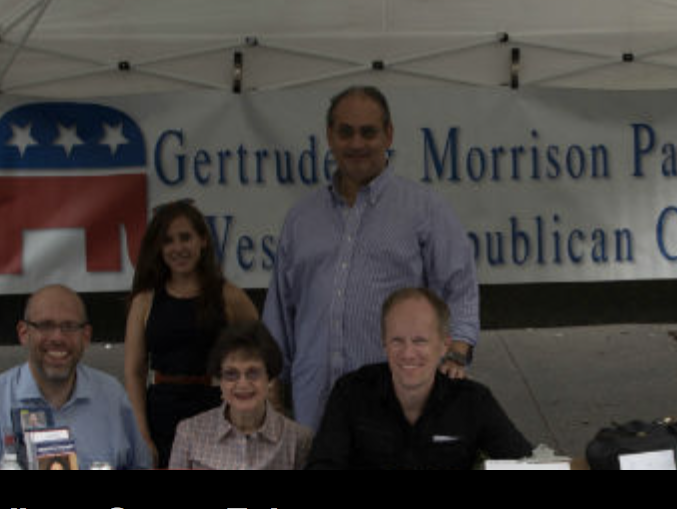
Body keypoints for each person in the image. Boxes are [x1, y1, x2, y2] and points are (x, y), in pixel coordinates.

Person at [263, 86, 480, 430]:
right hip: (312, 406)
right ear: (330, 137)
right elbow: (280, 314)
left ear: (388, 135)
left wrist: (455, 355)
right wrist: (272, 389)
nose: (357, 143)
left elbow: (461, 291)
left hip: (392, 406)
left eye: (368, 132)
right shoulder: (301, 219)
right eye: (345, 132)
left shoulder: (425, 210)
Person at [307, 288, 532, 470]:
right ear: (384, 343)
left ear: (444, 345)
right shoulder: (351, 392)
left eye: (420, 341)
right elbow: (322, 464)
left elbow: (528, 465)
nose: (408, 353)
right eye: (397, 340)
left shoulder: (473, 401)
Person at [0, 285, 151, 470]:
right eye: (46, 325)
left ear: (86, 336)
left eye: (69, 326)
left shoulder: (113, 398)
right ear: (24, 333)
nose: (58, 337)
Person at [124, 200, 259, 468]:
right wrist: (142, 433)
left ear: (203, 241)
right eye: (168, 241)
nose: (178, 248)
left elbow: (262, 358)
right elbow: (134, 372)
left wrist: (254, 415)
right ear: (159, 248)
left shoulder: (229, 296)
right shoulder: (144, 301)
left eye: (185, 237)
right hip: (160, 415)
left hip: (216, 411)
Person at [169, 322, 313, 470]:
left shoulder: (298, 440)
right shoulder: (189, 433)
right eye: (231, 374)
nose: (243, 384)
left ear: (269, 379)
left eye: (253, 373)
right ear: (220, 381)